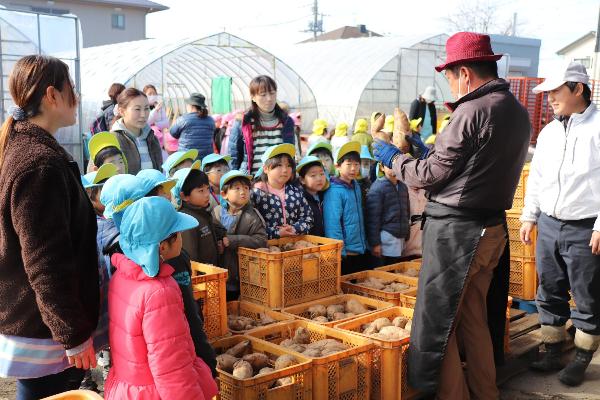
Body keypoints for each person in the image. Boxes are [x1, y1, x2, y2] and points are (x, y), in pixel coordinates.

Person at [373, 32, 531, 399]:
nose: (450, 85)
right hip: (491, 230)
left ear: (463, 73)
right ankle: (485, 392)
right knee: (474, 318)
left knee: (439, 326)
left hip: (458, 234)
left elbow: (429, 175)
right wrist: (416, 148)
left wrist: (391, 157)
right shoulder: (515, 110)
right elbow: (464, 162)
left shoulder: (471, 110)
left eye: (448, 76)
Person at [0, 55, 100, 399]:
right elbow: (45, 263)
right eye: (72, 89)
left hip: (39, 318)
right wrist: (71, 335)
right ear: (52, 95)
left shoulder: (27, 149)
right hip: (44, 326)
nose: (77, 98)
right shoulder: (39, 163)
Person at [520, 62, 600, 386]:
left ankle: (581, 357)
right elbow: (537, 178)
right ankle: (553, 349)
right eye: (548, 91)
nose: (550, 97)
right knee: (549, 289)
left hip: (584, 227)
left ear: (578, 88)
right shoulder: (550, 132)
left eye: (556, 90)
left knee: (586, 294)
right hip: (550, 224)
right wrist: (529, 215)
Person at [104, 196, 219, 400]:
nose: (182, 238)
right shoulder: (160, 293)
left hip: (126, 389)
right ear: (163, 246)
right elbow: (172, 369)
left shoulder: (121, 276)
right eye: (178, 234)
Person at [80, 163, 119, 391]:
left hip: (103, 288)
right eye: (101, 190)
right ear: (89, 196)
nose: (107, 193)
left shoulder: (100, 221)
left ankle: (94, 375)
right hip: (101, 289)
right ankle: (89, 377)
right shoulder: (101, 224)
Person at [213, 170, 267, 300]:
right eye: (237, 188)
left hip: (243, 274)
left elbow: (260, 240)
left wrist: (233, 240)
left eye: (246, 188)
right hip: (220, 272)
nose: (243, 192)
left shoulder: (252, 216)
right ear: (224, 194)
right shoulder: (216, 213)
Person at [231, 75, 295, 176]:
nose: (269, 99)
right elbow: (233, 156)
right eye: (263, 94)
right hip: (252, 180)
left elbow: (291, 154)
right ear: (253, 98)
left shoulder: (286, 122)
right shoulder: (243, 122)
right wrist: (234, 179)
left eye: (272, 93)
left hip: (280, 182)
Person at [323, 141, 369, 275]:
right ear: (338, 166)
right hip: (345, 253)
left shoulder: (355, 185)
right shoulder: (334, 191)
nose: (353, 169)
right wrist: (339, 252)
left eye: (356, 164)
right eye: (348, 164)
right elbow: (333, 224)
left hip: (359, 249)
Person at [252, 144, 313, 239]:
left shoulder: (296, 192)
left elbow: (308, 218)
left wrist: (294, 229)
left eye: (289, 165)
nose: (285, 170)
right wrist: (276, 233)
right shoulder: (256, 193)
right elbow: (251, 227)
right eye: (279, 165)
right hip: (266, 248)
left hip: (293, 245)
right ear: (266, 169)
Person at [171, 164, 227, 266]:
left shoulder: (202, 212)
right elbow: (190, 257)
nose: (207, 194)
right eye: (201, 191)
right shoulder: (187, 221)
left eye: (207, 189)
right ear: (184, 196)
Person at [366, 164, 410, 265]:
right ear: (382, 167)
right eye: (389, 165)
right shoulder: (378, 187)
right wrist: (375, 244)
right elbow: (372, 219)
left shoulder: (403, 187)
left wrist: (407, 234)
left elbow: (407, 213)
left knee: (394, 272)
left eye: (396, 164)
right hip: (384, 238)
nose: (394, 167)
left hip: (399, 238)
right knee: (382, 272)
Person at [111, 88, 163, 174]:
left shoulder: (152, 139)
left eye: (146, 108)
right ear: (122, 111)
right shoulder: (112, 140)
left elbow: (158, 172)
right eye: (137, 109)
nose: (143, 115)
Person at [170, 93, 215, 160]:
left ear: (192, 106)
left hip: (187, 158)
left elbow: (173, 133)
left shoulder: (183, 119)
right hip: (206, 158)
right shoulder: (210, 120)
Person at [297, 156, 328, 237]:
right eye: (313, 175)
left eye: (322, 174)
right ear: (302, 180)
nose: (319, 178)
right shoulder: (300, 200)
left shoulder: (326, 195)